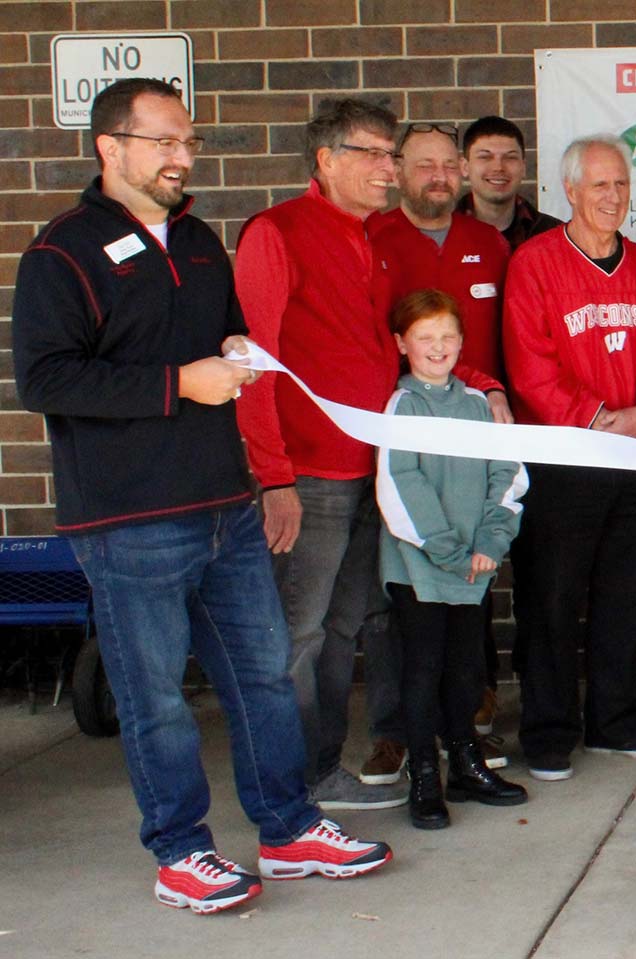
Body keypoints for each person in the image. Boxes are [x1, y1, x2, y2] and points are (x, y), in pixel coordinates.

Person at [13, 78, 390, 914]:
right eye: (165, 143)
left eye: (190, 143)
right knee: (157, 699)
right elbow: (44, 378)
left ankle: (288, 828)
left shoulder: (197, 240)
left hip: (224, 504)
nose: (183, 158)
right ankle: (180, 850)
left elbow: (229, 336)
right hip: (129, 517)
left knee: (261, 678)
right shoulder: (61, 253)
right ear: (110, 147)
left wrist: (237, 352)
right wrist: (180, 382)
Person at [234, 98, 406, 811]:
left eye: (392, 155)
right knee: (297, 636)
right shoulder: (277, 232)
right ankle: (287, 784)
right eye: (373, 153)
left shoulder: (375, 237)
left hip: (370, 473)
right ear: (326, 158)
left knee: (343, 629)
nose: (389, 169)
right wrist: (275, 478)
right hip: (308, 475)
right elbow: (254, 362)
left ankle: (320, 768)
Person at [503, 136, 636, 782]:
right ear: (571, 192)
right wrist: (589, 417)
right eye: (601, 186)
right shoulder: (534, 263)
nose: (613, 197)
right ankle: (549, 729)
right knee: (553, 596)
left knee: (625, 593)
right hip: (563, 456)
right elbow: (530, 362)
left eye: (621, 185)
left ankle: (615, 719)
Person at [364, 120, 514, 783]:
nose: (438, 177)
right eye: (423, 165)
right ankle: (401, 740)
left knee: (461, 645)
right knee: (403, 631)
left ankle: (465, 742)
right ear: (397, 169)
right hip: (404, 443)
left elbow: (502, 340)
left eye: (449, 165)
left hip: (474, 434)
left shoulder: (490, 243)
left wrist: (493, 393)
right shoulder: (372, 237)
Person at [377, 289, 530, 829]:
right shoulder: (403, 406)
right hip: (421, 566)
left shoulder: (476, 406)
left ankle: (466, 762)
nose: (437, 347)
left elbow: (507, 474)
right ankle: (424, 776)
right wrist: (447, 549)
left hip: (474, 566)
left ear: (462, 342)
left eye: (447, 336)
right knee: (423, 671)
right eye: (424, 338)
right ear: (402, 344)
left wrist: (490, 542)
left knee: (466, 670)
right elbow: (401, 482)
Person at [457, 115, 561, 250]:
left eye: (510, 157)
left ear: (523, 167)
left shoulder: (554, 236)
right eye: (485, 157)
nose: (498, 167)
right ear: (465, 167)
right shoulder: (441, 234)